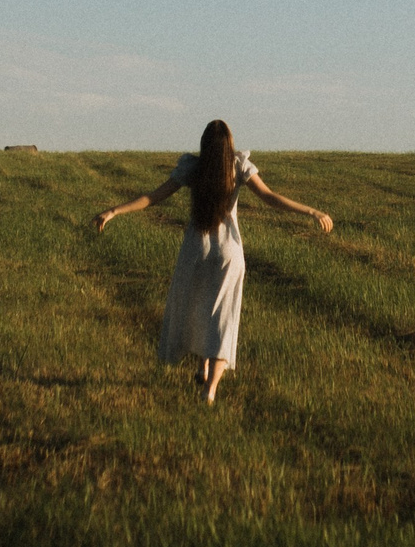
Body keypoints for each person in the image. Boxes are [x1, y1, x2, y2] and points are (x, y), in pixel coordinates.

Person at [93, 120, 333, 403]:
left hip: (196, 251)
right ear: (229, 144)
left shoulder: (192, 168)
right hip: (228, 253)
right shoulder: (239, 166)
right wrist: (312, 211)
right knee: (222, 319)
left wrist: (113, 211)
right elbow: (270, 197)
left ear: (204, 144)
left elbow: (153, 197)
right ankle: (210, 389)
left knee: (197, 311)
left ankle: (202, 368)